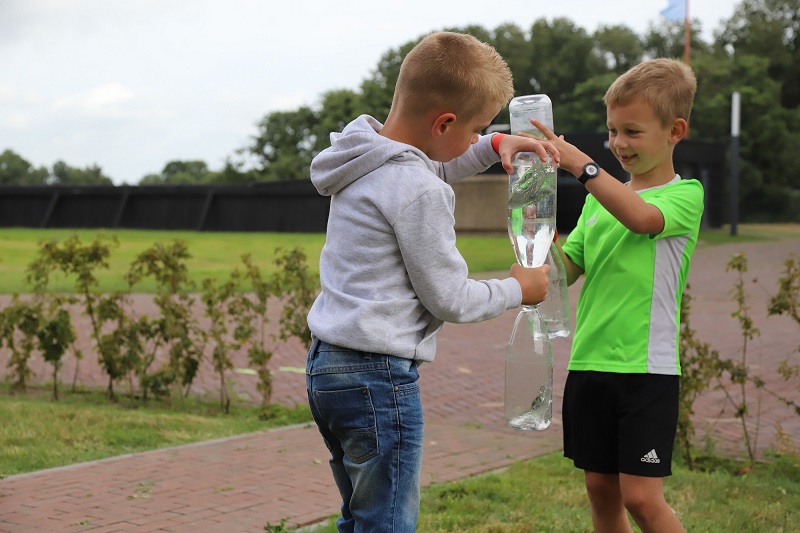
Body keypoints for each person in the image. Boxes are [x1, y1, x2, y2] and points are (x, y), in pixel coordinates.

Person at [305, 31, 556, 532]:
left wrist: (494, 144)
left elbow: (433, 161)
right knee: (387, 522)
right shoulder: (418, 189)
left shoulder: (362, 158)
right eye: (476, 128)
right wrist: (518, 289)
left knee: (361, 515)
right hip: (378, 376)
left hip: (329, 368)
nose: (477, 138)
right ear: (443, 123)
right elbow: (451, 298)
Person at [526, 58, 702, 532]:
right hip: (589, 363)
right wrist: (535, 239)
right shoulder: (597, 202)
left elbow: (641, 219)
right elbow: (566, 271)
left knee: (641, 498)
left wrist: (580, 165)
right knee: (601, 491)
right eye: (612, 131)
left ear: (675, 131)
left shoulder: (685, 196)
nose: (619, 143)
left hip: (645, 369)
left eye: (632, 132)